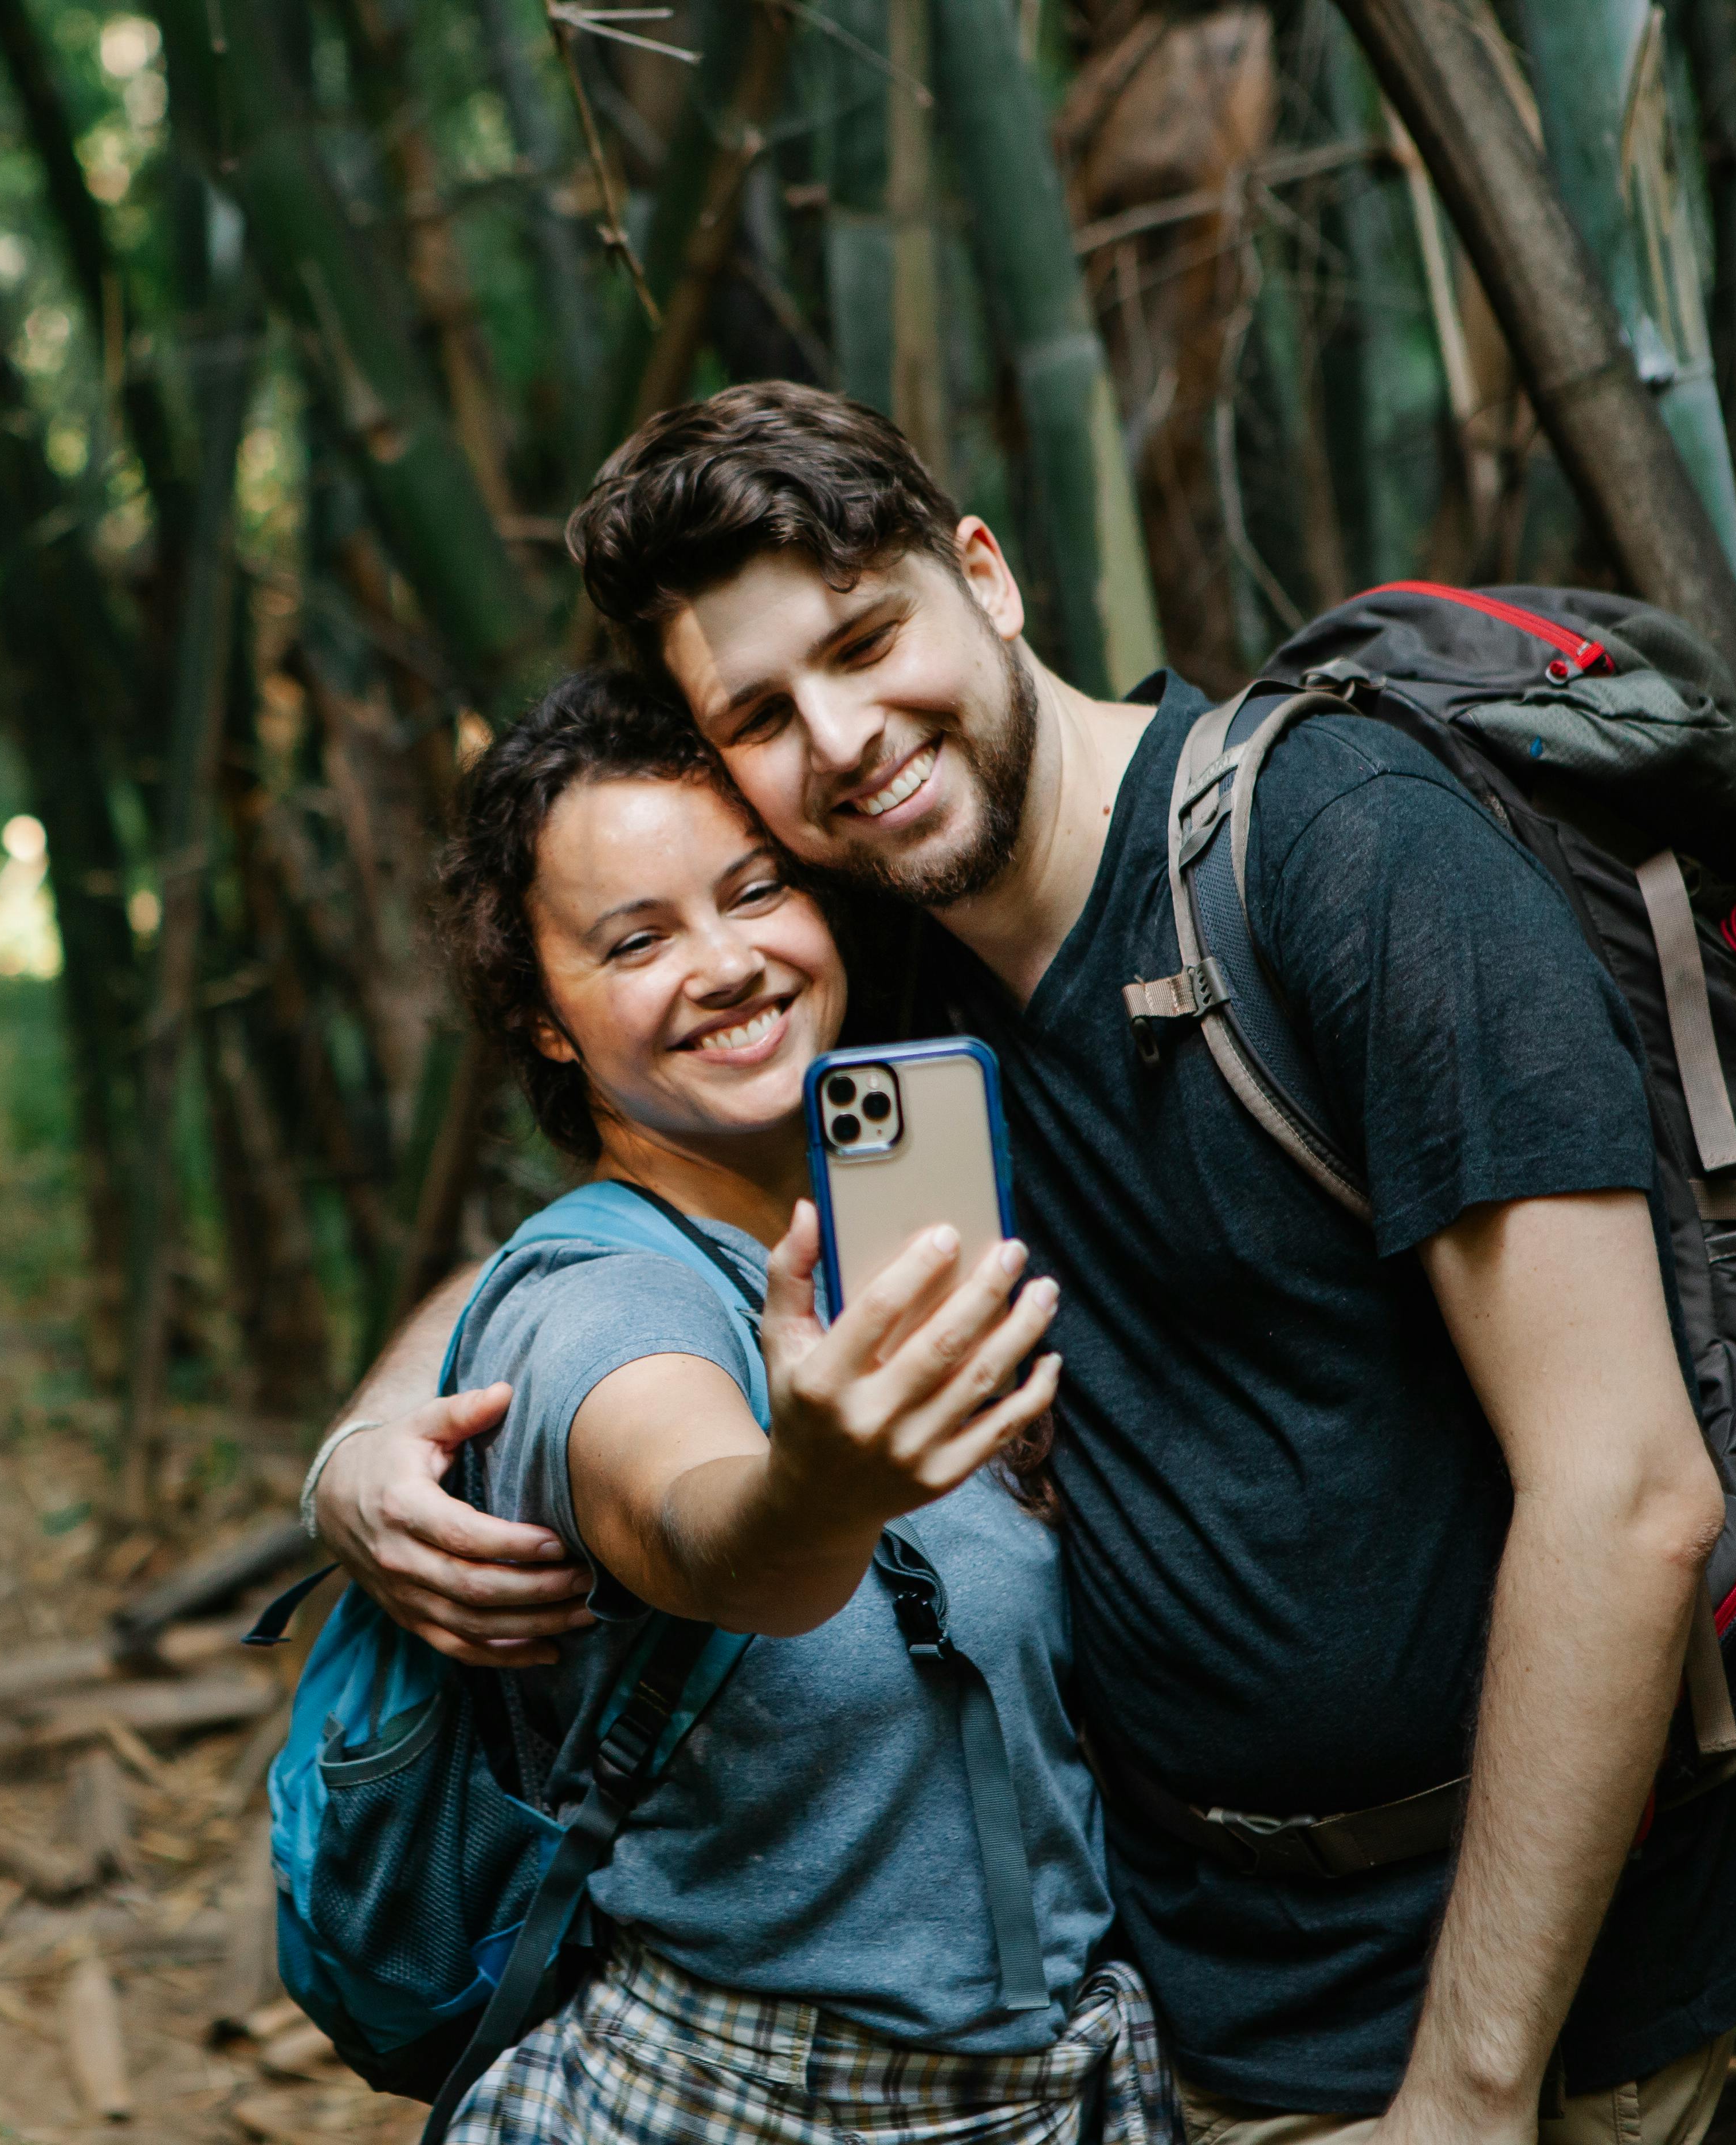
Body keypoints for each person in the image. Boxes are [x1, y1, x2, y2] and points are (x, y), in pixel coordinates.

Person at [299, 383, 1736, 2145]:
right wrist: (366, 1449)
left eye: (864, 639)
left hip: (1514, 2005)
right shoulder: (894, 979)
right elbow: (600, 1251)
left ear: (981, 574)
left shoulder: (1339, 855)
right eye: (761, 711)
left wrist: (1469, 2090)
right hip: (1181, 2013)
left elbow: (1627, 1490)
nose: (840, 739)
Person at [406, 663, 1162, 2145]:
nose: (726, 963)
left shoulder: (920, 1222)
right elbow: (705, 1526)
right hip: (744, 2099)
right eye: (635, 940)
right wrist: (810, 1487)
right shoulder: (594, 1303)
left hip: (1063, 2088)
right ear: (545, 1018)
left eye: (756, 893)